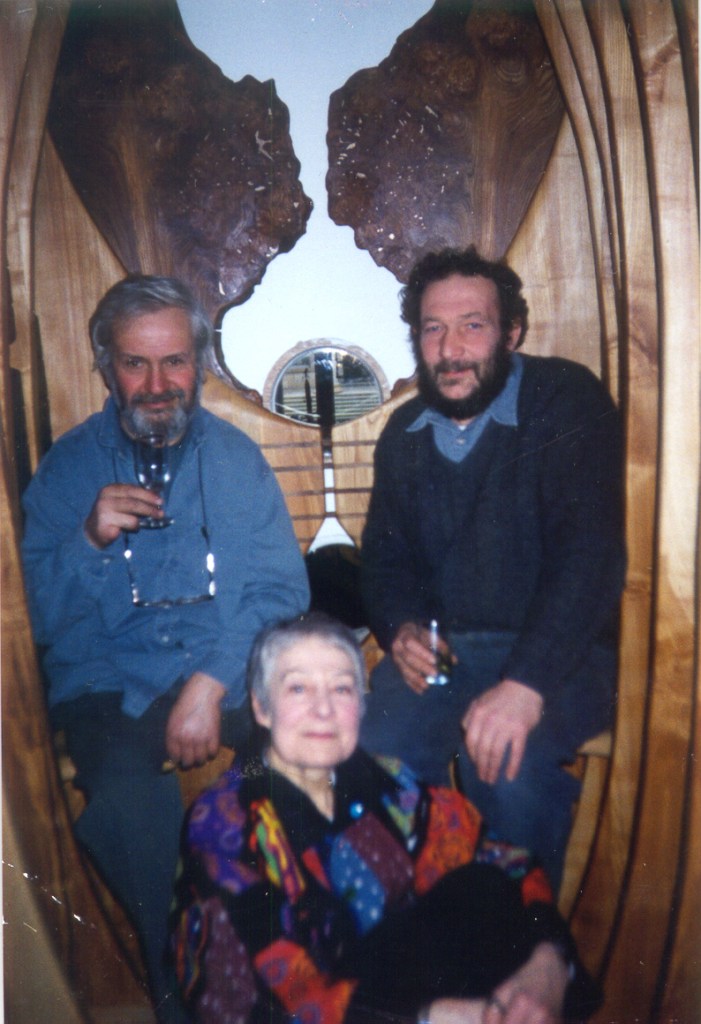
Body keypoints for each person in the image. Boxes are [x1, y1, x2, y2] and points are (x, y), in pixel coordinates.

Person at [21, 275, 310, 1021]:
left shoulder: (236, 461)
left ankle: (273, 973)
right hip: (111, 688)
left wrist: (211, 683)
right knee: (126, 806)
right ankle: (179, 988)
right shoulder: (68, 469)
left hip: (227, 677)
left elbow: (281, 592)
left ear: (200, 364)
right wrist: (87, 540)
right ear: (105, 367)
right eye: (135, 363)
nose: (156, 386)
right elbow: (32, 618)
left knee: (292, 767)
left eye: (174, 361)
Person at [171, 613, 600, 1024]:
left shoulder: (390, 784)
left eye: (341, 689)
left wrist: (548, 963)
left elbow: (505, 862)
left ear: (361, 706)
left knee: (483, 886)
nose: (323, 710)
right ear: (262, 708)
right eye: (298, 688)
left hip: (410, 994)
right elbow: (247, 999)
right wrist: (430, 1017)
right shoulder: (226, 821)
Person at [359, 247, 626, 889]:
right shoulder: (404, 432)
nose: (450, 349)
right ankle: (422, 928)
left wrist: (525, 685)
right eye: (433, 328)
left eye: (472, 326)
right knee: (371, 760)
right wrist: (399, 626)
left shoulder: (565, 400)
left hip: (564, 654)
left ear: (511, 333)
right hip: (447, 655)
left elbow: (590, 556)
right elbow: (384, 561)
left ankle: (524, 937)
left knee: (505, 766)